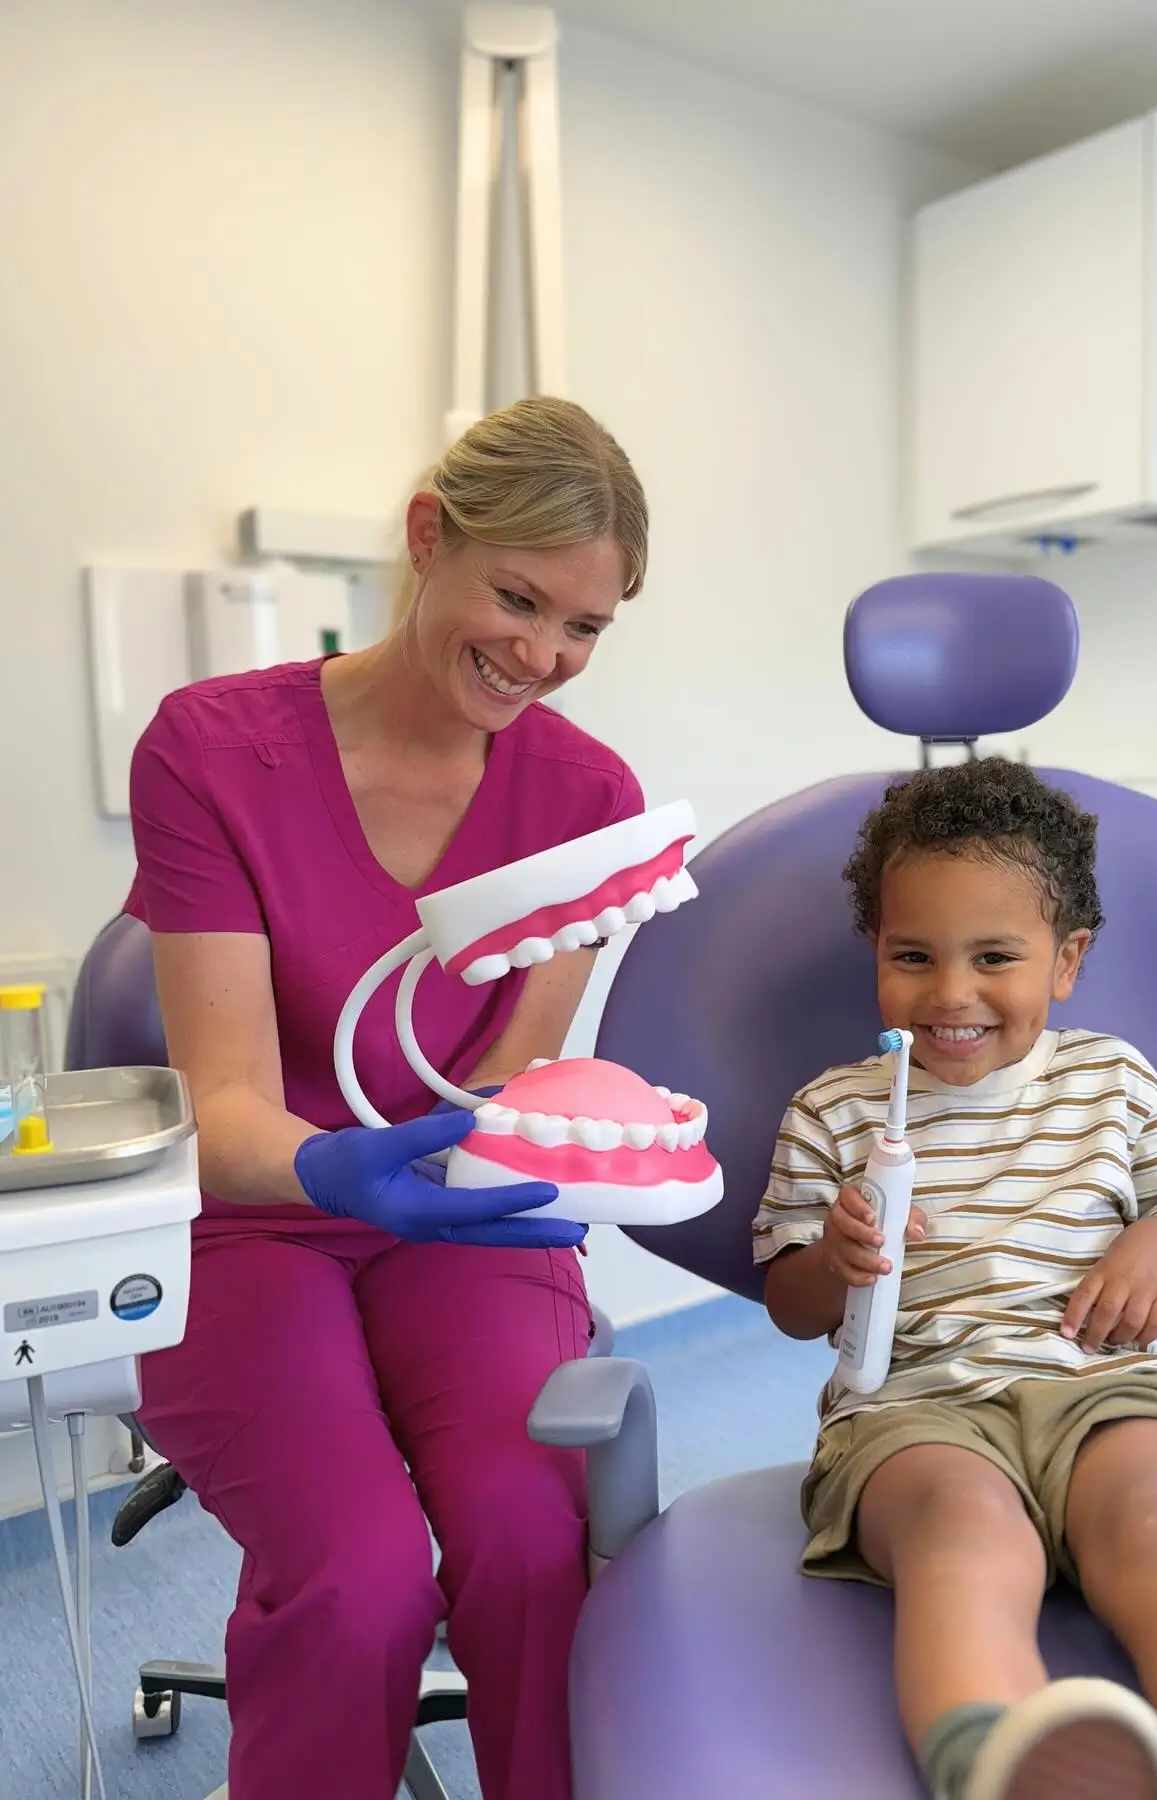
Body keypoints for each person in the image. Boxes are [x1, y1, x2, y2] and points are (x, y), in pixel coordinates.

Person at [126, 396, 650, 1800]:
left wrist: (566, 1136)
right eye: (519, 597)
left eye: (586, 628)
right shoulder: (213, 752)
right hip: (257, 1219)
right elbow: (229, 1104)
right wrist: (333, 1168)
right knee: (358, 1581)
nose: (543, 655)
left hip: (465, 1216)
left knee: (533, 1545)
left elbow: (503, 1081)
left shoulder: (591, 797)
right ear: (431, 538)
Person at [752, 759, 1157, 1800]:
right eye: (912, 956)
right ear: (874, 953)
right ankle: (995, 1761)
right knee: (961, 1538)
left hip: (1107, 1385)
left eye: (995, 957)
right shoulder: (835, 1111)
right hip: (915, 1412)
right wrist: (833, 1264)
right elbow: (789, 1304)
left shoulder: (1113, 1079)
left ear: (1066, 959)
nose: (950, 994)